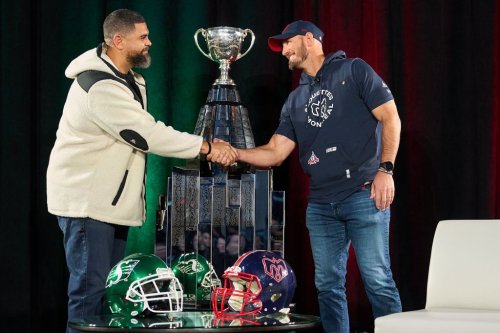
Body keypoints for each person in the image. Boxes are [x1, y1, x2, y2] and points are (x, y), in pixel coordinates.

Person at [46, 9, 237, 332]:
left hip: (106, 205)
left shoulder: (129, 80)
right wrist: (206, 147)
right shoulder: (99, 86)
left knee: (107, 291)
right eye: (143, 37)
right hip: (87, 206)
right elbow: (146, 133)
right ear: (118, 41)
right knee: (89, 294)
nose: (150, 42)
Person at [232, 20, 402, 333]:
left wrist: (386, 169)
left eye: (287, 43)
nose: (283, 51)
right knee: (327, 285)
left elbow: (391, 118)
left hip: (364, 194)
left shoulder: (354, 71)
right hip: (322, 204)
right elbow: (275, 152)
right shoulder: (295, 100)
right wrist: (236, 153)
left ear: (309, 39)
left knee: (378, 280)